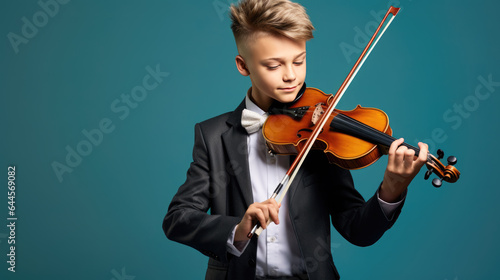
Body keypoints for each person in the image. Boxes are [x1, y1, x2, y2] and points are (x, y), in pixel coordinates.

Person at [162, 0, 428, 279]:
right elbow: (178, 219)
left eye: (299, 61)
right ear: (243, 65)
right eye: (273, 65)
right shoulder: (213, 135)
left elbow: (357, 230)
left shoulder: (321, 133)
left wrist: (391, 190)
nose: (291, 76)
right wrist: (237, 229)